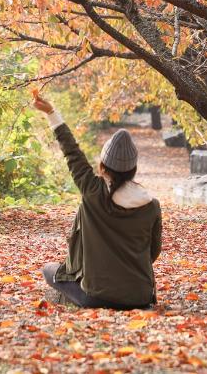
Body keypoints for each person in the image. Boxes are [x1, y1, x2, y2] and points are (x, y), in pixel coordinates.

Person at [32, 92, 162, 310]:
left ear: (103, 166)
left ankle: (71, 303)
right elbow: (153, 253)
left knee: (49, 271)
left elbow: (72, 153)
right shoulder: (151, 205)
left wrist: (52, 113)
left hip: (96, 296)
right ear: (133, 170)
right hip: (141, 297)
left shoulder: (93, 191)